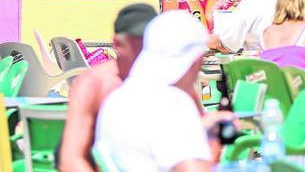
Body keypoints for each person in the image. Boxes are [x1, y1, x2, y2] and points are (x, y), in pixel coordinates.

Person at [94, 11, 233, 171]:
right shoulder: (173, 102)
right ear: (196, 60)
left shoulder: (117, 97)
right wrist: (214, 139)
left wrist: (202, 127)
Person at [58, 3, 157, 172]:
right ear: (117, 44)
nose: (144, 49)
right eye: (136, 43)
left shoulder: (169, 78)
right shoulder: (93, 84)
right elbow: (71, 157)